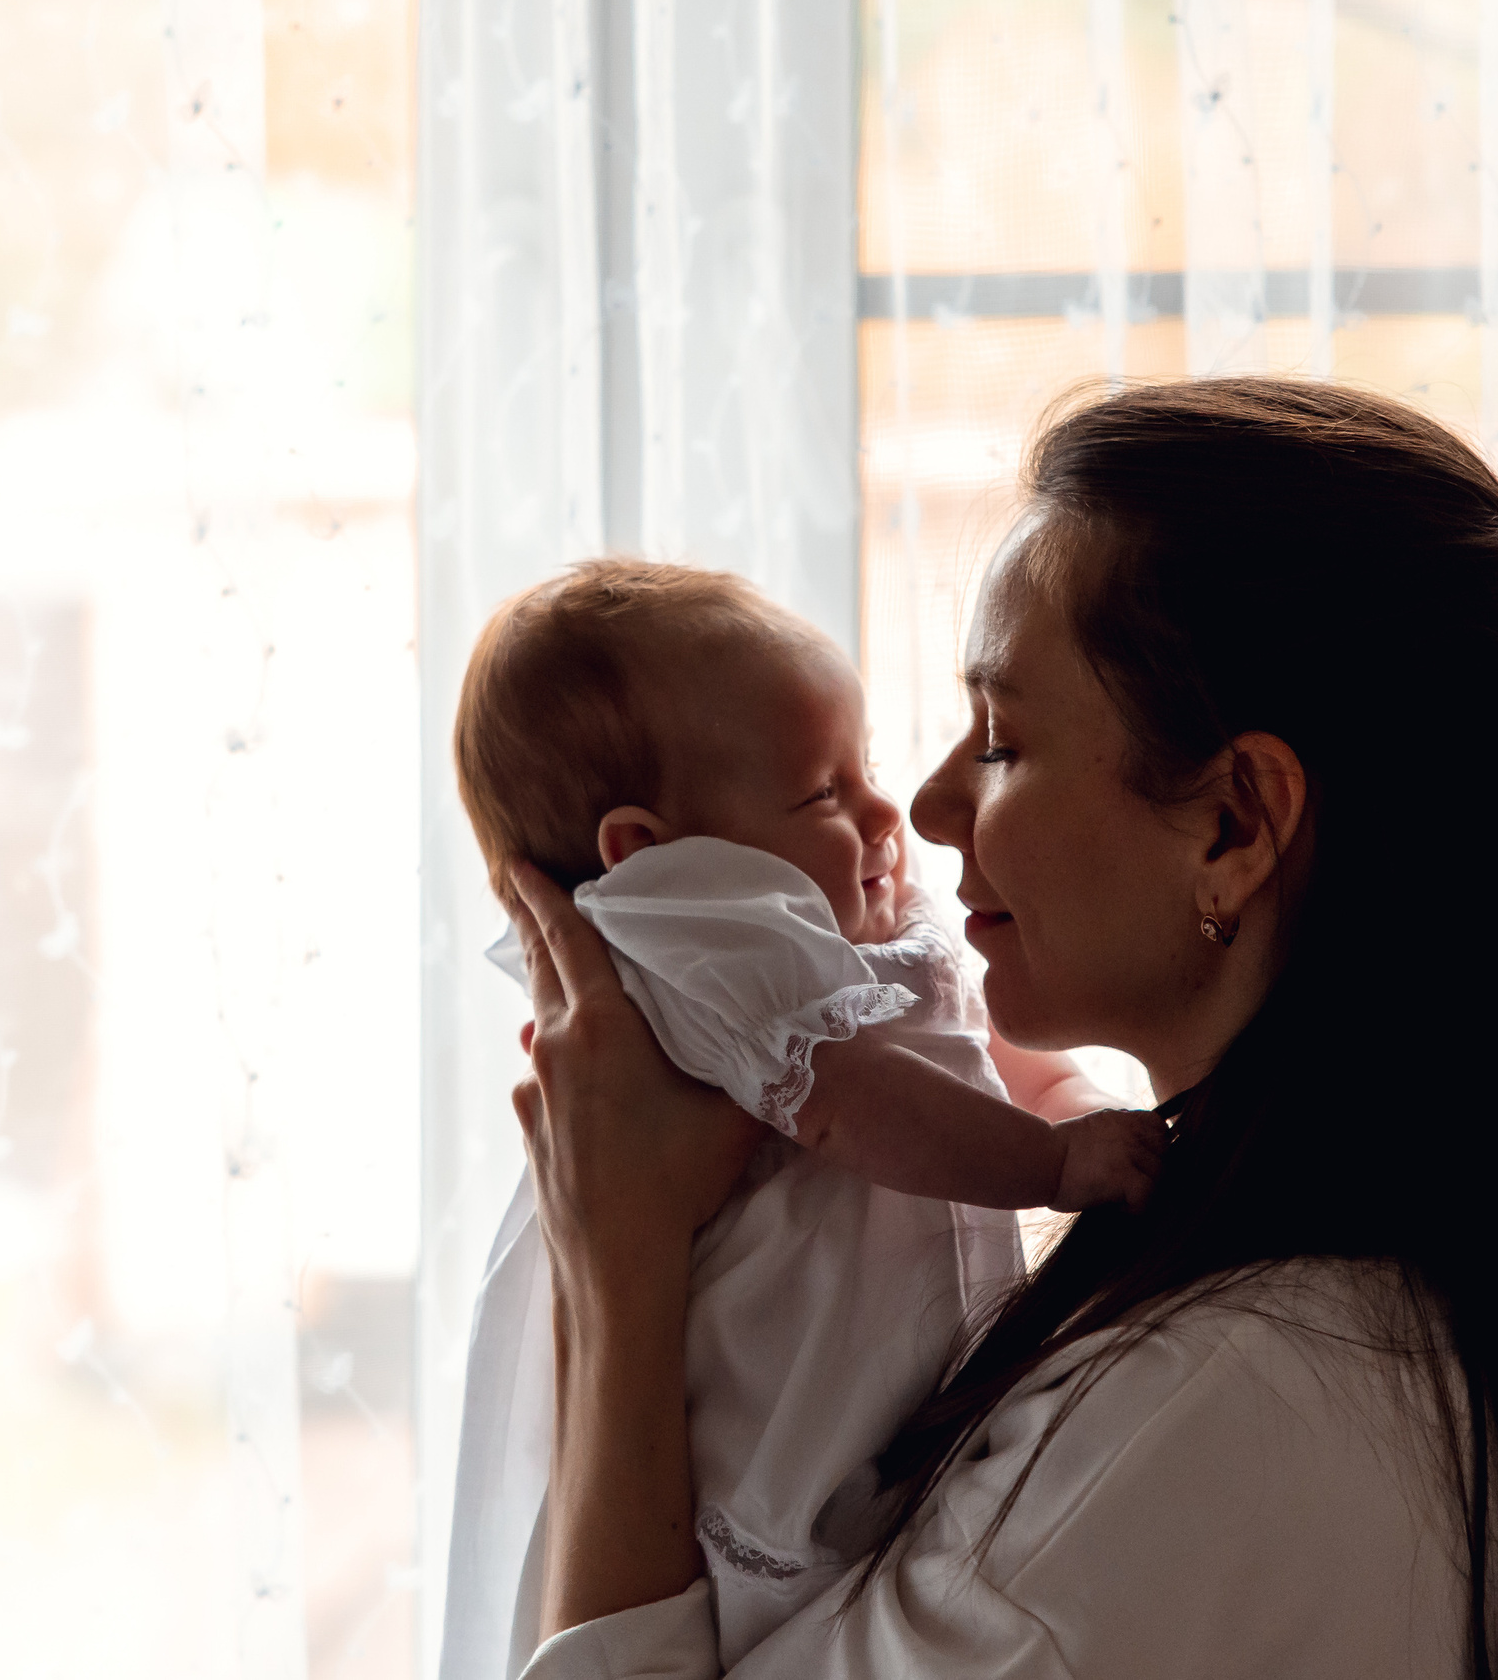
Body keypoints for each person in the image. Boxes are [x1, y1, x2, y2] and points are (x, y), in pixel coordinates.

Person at [491, 377, 1498, 1679]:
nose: (933, 804)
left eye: (1000, 736)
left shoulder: (1219, 1410)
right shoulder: (1329, 1315)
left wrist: (622, 1270)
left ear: (1232, 824)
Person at [441, 559, 1168, 1676]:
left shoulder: (809, 947)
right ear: (652, 856)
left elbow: (954, 1048)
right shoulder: (702, 937)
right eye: (825, 793)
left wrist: (1065, 1099)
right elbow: (853, 1102)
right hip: (763, 1431)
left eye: (859, 767)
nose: (894, 811)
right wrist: (1059, 1160)